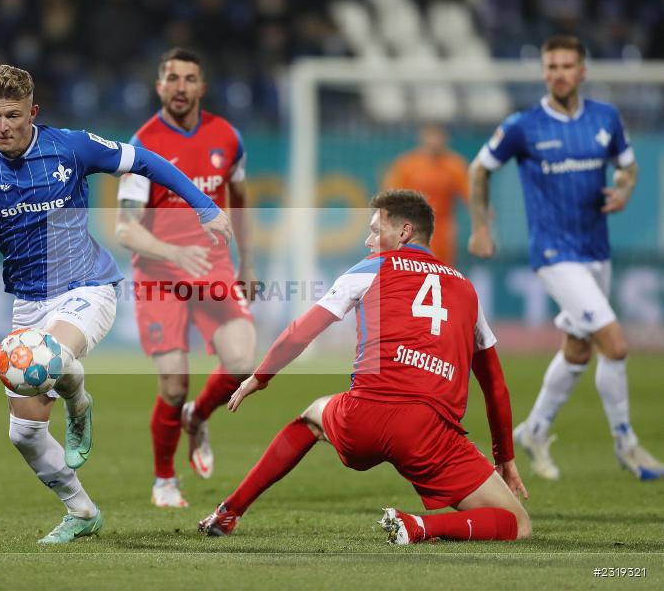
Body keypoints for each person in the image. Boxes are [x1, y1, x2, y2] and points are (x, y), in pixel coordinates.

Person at [0, 64, 232, 543]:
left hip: (86, 287)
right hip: (29, 300)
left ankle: (76, 402)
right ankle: (82, 510)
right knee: (23, 434)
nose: (2, 126)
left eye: (13, 115)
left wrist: (205, 206)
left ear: (33, 112)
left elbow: (145, 161)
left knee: (49, 357)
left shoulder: (69, 147)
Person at [199, 190, 531, 544]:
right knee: (518, 524)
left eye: (375, 230)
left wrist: (260, 377)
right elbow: (495, 387)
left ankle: (230, 510)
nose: (368, 241)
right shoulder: (467, 289)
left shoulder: (370, 268)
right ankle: (419, 527)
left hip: (363, 417)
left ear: (404, 232)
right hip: (428, 434)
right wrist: (505, 457)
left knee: (312, 418)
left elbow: (301, 331)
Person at [468, 35, 664, 481]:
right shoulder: (523, 126)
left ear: (582, 71)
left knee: (577, 349)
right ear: (543, 72)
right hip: (554, 254)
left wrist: (625, 190)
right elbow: (479, 168)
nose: (558, 73)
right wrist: (481, 226)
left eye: (566, 65)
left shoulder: (605, 118)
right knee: (615, 345)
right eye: (551, 66)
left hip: (596, 251)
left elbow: (628, 166)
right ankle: (627, 444)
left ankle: (535, 429)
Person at [116, 48, 257, 508]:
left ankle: (198, 416)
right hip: (159, 275)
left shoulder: (227, 137)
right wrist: (175, 252)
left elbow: (240, 200)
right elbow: (125, 228)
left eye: (189, 78)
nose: (180, 87)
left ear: (202, 87)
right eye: (172, 78)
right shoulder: (142, 146)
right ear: (159, 86)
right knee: (174, 384)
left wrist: (247, 263)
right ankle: (164, 480)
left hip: (214, 269)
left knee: (242, 363)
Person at [382, 124, 469, 266]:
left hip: (442, 228)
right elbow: (390, 196)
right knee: (412, 267)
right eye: (431, 136)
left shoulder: (454, 165)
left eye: (438, 136)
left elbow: (470, 194)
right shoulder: (407, 165)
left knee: (440, 268)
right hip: (412, 227)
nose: (434, 141)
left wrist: (482, 217)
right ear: (423, 138)